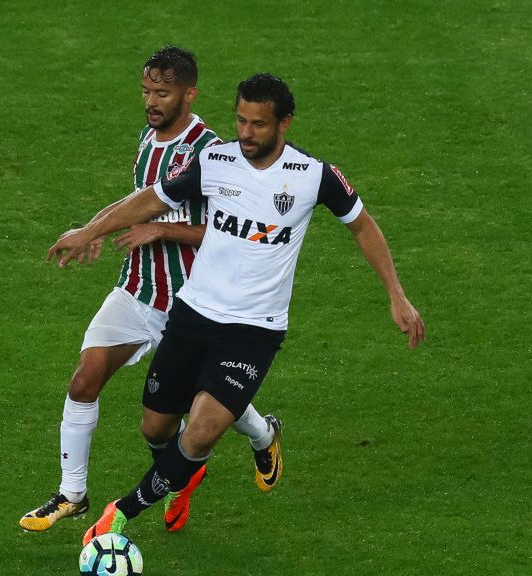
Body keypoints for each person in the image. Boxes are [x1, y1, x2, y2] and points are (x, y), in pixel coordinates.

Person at [48, 72, 427, 545]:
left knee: (201, 433)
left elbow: (363, 226)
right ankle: (244, 443)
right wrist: (90, 231)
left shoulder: (314, 176)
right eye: (241, 121)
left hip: (254, 329)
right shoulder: (215, 160)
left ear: (284, 123)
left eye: (258, 125)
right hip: (193, 314)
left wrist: (396, 293)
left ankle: (118, 516)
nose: (246, 133)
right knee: (156, 425)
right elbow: (150, 200)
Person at [20, 48, 283, 535]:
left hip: (195, 304)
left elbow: (229, 232)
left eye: (162, 93)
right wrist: (94, 230)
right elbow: (140, 202)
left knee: (206, 400)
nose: (151, 101)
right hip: (138, 290)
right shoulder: (148, 137)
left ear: (189, 93)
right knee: (85, 378)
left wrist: (162, 232)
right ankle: (72, 494)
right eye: (146, 91)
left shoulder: (215, 152)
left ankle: (263, 435)